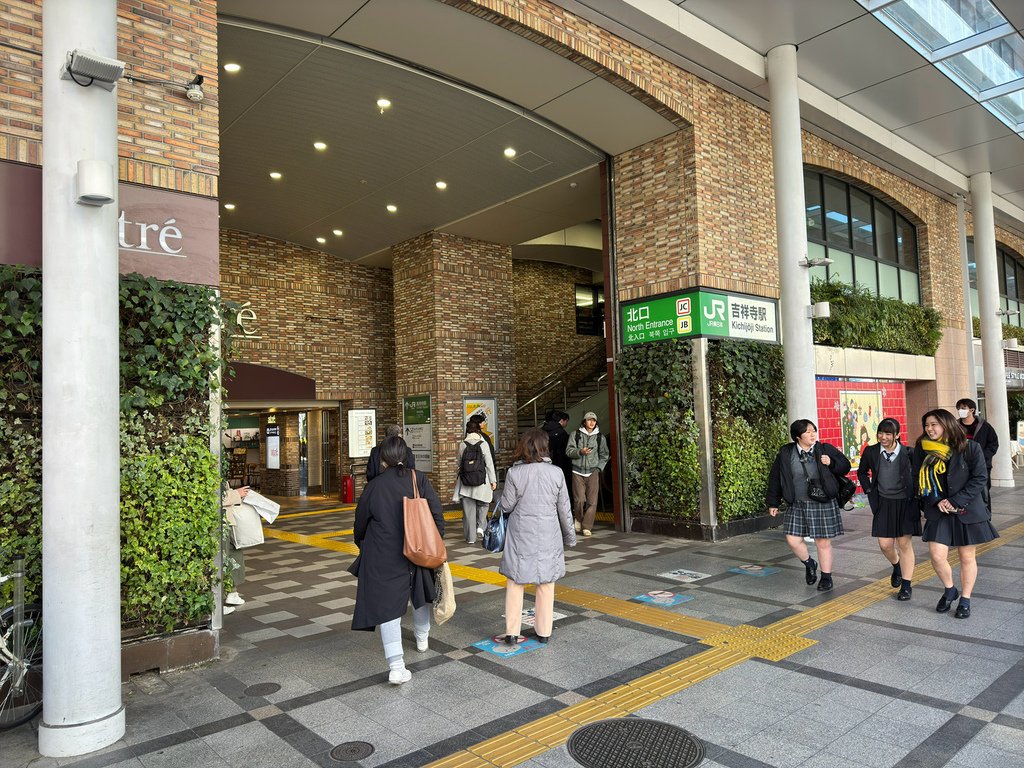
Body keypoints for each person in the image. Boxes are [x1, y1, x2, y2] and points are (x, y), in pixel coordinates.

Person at [350, 436, 444, 684]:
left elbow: (360, 523)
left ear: (382, 459)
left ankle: (396, 665)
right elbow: (436, 514)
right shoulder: (419, 479)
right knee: (420, 593)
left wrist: (361, 543)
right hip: (417, 548)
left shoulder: (374, 486)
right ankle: (422, 639)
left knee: (388, 606)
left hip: (383, 552)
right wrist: (435, 542)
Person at [914, 409, 998, 619]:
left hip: (966, 509)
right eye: (926, 425)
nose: (929, 429)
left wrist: (954, 501)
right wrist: (936, 501)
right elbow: (918, 479)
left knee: (966, 556)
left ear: (947, 424)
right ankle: (950, 589)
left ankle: (966, 599)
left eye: (934, 424)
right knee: (936, 555)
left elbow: (979, 478)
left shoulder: (970, 448)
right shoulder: (923, 449)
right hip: (939, 509)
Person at [498, 427, 576, 645]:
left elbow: (506, 506)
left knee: (515, 581)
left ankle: (512, 632)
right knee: (545, 583)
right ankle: (543, 632)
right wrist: (570, 537)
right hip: (548, 534)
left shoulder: (515, 473)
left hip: (520, 534)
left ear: (524, 447)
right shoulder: (557, 473)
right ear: (544, 447)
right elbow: (564, 509)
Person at [766, 419, 852, 592]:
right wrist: (773, 502)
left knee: (822, 542)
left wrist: (831, 463)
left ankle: (826, 577)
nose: (813, 434)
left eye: (814, 430)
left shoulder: (824, 449)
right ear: (798, 436)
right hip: (797, 503)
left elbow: (845, 466)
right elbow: (776, 477)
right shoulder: (786, 452)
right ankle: (809, 562)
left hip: (822, 502)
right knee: (792, 539)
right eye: (808, 432)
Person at [857, 418, 920, 600]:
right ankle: (897, 565)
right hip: (883, 502)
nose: (883, 437)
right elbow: (862, 472)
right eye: (880, 433)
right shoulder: (871, 452)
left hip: (905, 503)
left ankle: (906, 586)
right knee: (885, 545)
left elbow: (918, 474)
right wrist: (869, 489)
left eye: (888, 434)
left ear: (897, 435)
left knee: (904, 544)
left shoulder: (909, 453)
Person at [565, 411, 609, 536]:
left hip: (593, 471)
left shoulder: (600, 437)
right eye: (589, 420)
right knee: (579, 500)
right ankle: (578, 518)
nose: (591, 422)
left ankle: (587, 526)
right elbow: (568, 451)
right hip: (577, 471)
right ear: (584, 421)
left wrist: (599, 468)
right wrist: (580, 452)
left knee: (592, 501)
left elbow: (604, 455)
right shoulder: (575, 434)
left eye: (594, 420)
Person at [452, 420, 497, 544]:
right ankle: (481, 526)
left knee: (468, 511)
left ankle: (471, 539)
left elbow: (459, 463)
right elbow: (489, 464)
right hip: (481, 481)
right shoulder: (483, 444)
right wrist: (493, 480)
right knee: (484, 504)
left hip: (466, 482)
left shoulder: (463, 444)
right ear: (478, 430)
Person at [956, 398, 999, 490]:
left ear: (972, 410)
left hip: (981, 464)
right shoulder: (954, 426)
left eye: (963, 408)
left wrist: (981, 456)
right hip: (960, 464)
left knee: (983, 491)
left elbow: (993, 444)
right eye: (959, 408)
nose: (960, 410)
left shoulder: (984, 426)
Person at [221, 484, 250, 614]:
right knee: (221, 560)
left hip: (226, 522)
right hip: (219, 524)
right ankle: (216, 604)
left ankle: (232, 592)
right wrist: (236, 494)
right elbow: (216, 498)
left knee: (234, 554)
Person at [541, 409, 572, 496]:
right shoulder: (562, 433)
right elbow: (565, 452)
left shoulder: (541, 431)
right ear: (562, 421)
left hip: (543, 466)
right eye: (567, 421)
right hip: (560, 465)